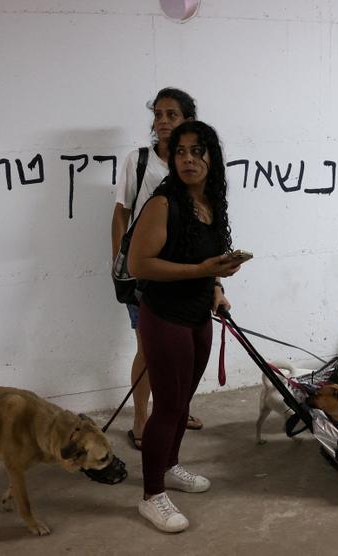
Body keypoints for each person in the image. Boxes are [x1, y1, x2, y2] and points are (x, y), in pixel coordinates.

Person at [128, 120, 242, 532]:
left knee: (182, 403)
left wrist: (216, 286)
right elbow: (138, 265)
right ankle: (151, 496)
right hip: (164, 317)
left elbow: (206, 261)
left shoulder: (211, 202)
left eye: (198, 151)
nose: (188, 159)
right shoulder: (162, 204)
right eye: (180, 152)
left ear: (212, 157)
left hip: (198, 315)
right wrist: (202, 270)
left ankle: (170, 465)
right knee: (167, 407)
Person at [112, 88, 203, 451]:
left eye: (172, 115)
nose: (163, 121)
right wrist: (121, 263)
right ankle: (140, 418)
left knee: (187, 347)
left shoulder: (198, 161)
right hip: (146, 273)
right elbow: (121, 214)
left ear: (188, 120)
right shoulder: (138, 161)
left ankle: (177, 409)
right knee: (149, 350)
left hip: (188, 271)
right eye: (158, 114)